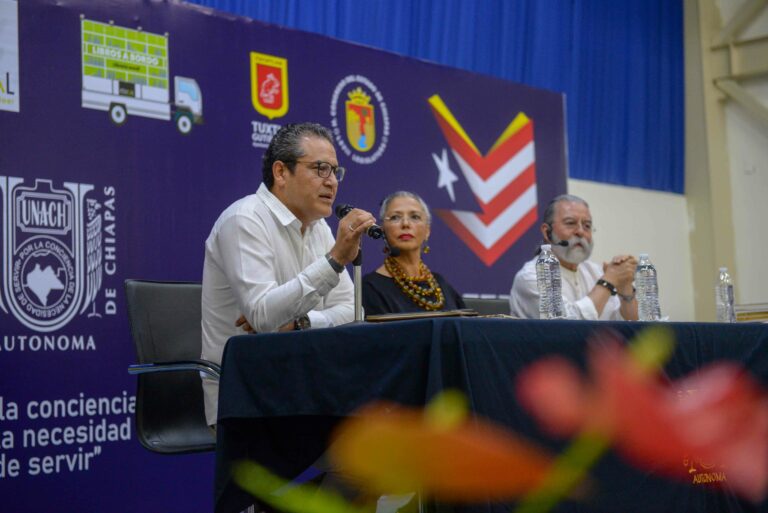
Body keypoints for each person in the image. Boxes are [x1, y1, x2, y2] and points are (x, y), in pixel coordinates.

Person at [200, 122, 376, 427]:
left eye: (335, 171)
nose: (332, 182)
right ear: (281, 172)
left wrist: (301, 323)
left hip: (306, 390)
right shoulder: (245, 220)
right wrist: (334, 261)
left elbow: (353, 310)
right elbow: (264, 316)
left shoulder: (319, 228)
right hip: (249, 397)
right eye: (321, 169)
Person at [509, 194, 638, 321]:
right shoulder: (531, 276)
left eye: (587, 226)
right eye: (570, 223)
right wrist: (608, 281)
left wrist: (625, 286)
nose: (580, 232)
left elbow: (630, 327)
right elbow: (568, 327)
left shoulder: (596, 271)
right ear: (547, 232)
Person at [362, 191, 465, 316]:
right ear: (383, 229)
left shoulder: (440, 283)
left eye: (415, 217)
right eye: (395, 217)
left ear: (427, 230)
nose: (405, 224)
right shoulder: (371, 288)